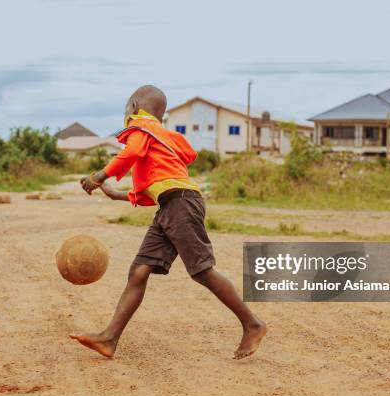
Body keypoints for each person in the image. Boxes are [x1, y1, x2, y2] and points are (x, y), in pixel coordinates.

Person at [71, 85, 266, 359]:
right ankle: (109, 338)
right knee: (139, 271)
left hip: (181, 204)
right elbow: (160, 185)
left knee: (202, 271)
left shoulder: (141, 128)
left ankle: (253, 324)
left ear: (135, 106)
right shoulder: (159, 137)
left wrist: (100, 176)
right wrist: (118, 194)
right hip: (171, 205)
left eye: (125, 108)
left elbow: (132, 154)